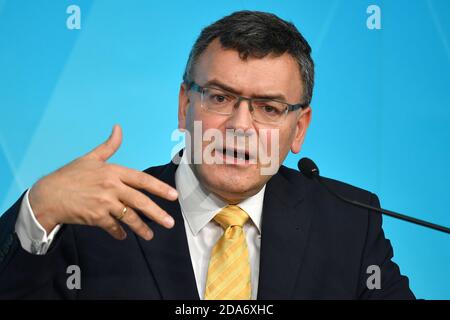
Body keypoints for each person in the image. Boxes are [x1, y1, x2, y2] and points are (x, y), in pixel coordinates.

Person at [0, 10, 414, 299]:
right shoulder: (96, 218)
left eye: (268, 108)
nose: (239, 126)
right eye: (219, 97)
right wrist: (39, 211)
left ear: (299, 128)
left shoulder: (349, 223)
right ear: (185, 106)